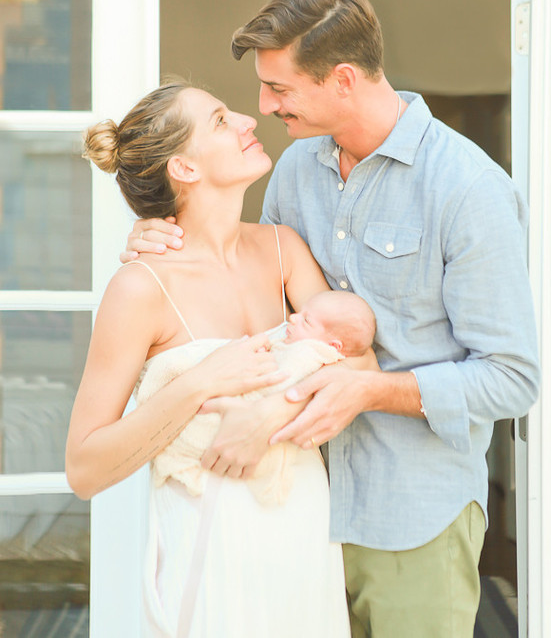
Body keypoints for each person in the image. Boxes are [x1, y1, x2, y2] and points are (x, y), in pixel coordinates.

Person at [123, 0, 540, 638]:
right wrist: (156, 232)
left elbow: (512, 378)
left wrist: (368, 390)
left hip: (412, 520)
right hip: (293, 517)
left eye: (280, 89)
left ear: (343, 79)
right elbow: (248, 289)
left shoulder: (469, 189)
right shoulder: (292, 171)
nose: (262, 106)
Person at [65, 81, 351, 638]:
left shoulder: (282, 250)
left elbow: (354, 361)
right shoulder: (140, 288)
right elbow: (84, 469)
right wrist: (198, 384)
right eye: (220, 121)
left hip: (306, 536)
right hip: (212, 548)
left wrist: (269, 414)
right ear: (185, 169)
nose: (248, 119)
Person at [137, 289, 378, 506]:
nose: (292, 318)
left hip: (246, 427)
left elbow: (280, 382)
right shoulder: (300, 345)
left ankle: (182, 450)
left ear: (333, 344)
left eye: (306, 320)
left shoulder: (310, 355)